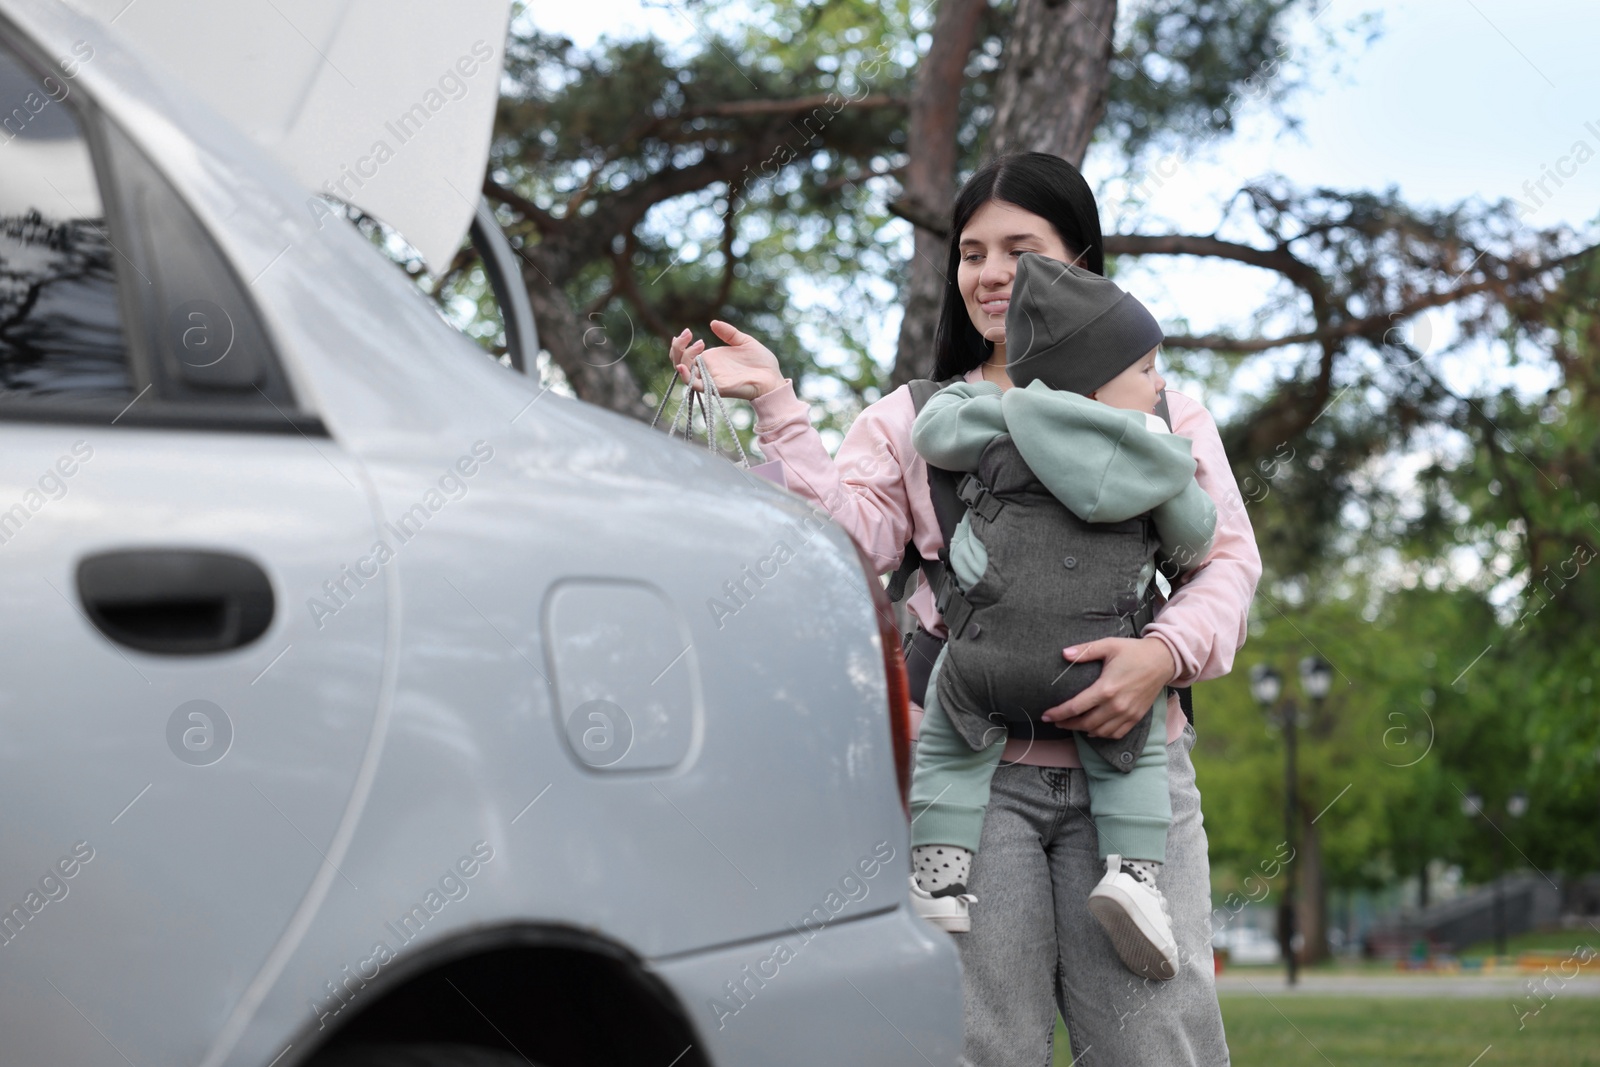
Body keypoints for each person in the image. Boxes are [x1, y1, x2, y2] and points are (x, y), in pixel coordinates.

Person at [669, 152, 1260, 1066]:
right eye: (972, 252)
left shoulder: (1162, 409)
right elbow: (843, 546)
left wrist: (1163, 655)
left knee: (1158, 1039)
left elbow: (1223, 559)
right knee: (976, 1041)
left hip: (1135, 773)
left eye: (1020, 249)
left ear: (1080, 262)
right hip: (969, 780)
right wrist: (778, 402)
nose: (991, 274)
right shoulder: (917, 418)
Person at [906, 252, 1217, 990]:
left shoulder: (1005, 419)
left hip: (987, 658)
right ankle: (1134, 876)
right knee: (1133, 753)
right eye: (1146, 369)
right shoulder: (1157, 454)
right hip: (1100, 667)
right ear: (1103, 379)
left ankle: (939, 877)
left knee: (952, 741)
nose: (1159, 384)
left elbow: (933, 431)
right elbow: (1198, 540)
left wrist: (1006, 400)